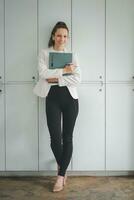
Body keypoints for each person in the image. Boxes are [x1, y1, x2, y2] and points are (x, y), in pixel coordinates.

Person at [33, 21, 81, 192]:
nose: (62, 39)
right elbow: (43, 74)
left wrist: (57, 78)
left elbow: (77, 79)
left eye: (65, 36)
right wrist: (64, 71)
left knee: (67, 137)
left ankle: (60, 177)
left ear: (67, 38)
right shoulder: (44, 53)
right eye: (59, 35)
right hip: (52, 98)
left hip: (70, 99)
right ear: (53, 35)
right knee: (55, 139)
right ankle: (64, 168)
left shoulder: (72, 55)